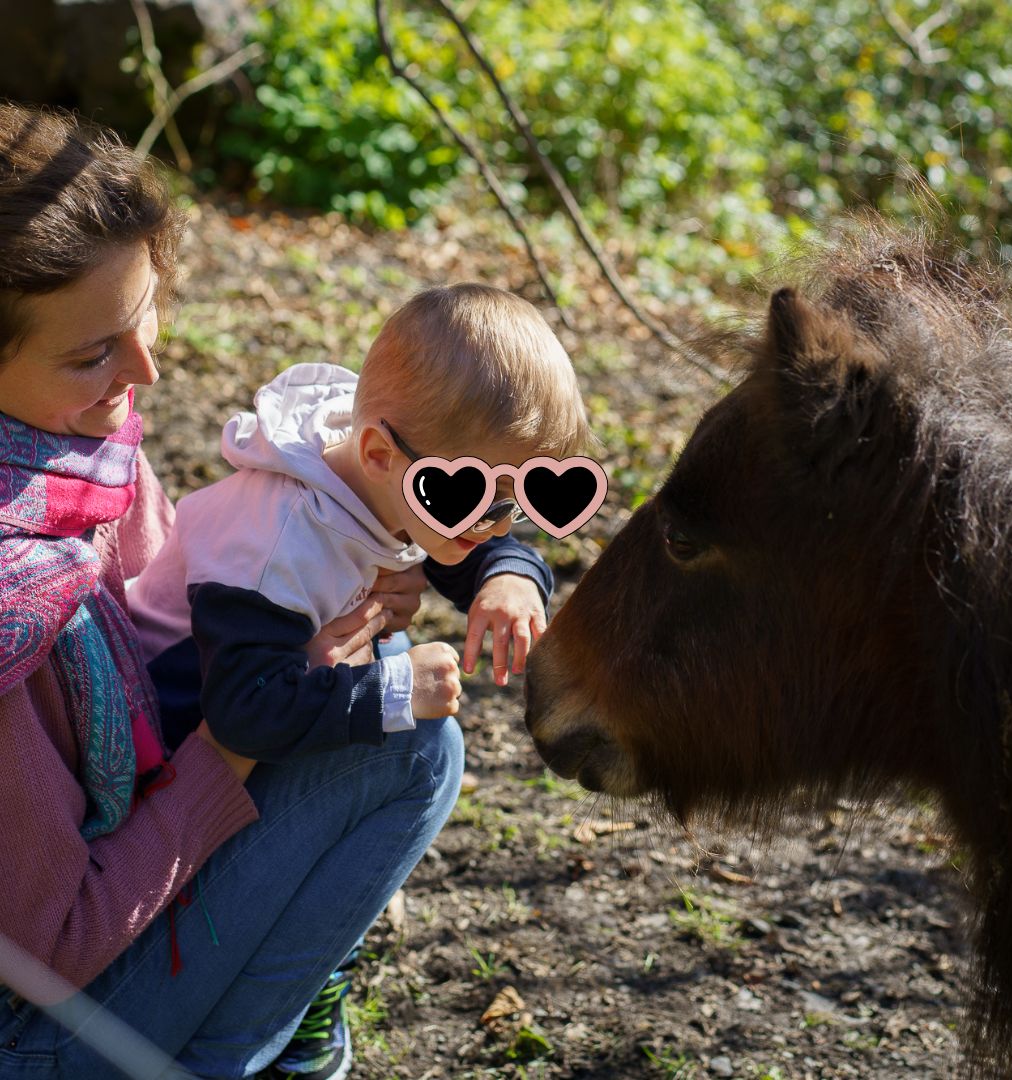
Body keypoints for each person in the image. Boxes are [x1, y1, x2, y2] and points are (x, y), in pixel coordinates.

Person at [0, 102, 573, 1080]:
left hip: (120, 849)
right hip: (35, 1032)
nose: (146, 372)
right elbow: (49, 949)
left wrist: (496, 574)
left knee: (374, 683)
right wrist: (248, 730)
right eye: (94, 353)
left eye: (144, 320)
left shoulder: (72, 450)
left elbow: (170, 626)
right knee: (411, 742)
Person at [125, 284, 594, 1077]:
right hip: (174, 759)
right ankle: (274, 1001)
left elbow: (463, 540)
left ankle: (318, 974)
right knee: (402, 721)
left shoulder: (391, 474)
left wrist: (509, 574)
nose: (497, 522)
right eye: (476, 498)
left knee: (386, 670)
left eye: (523, 499)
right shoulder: (276, 546)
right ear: (379, 454)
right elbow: (241, 711)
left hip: (266, 707)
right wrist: (394, 688)